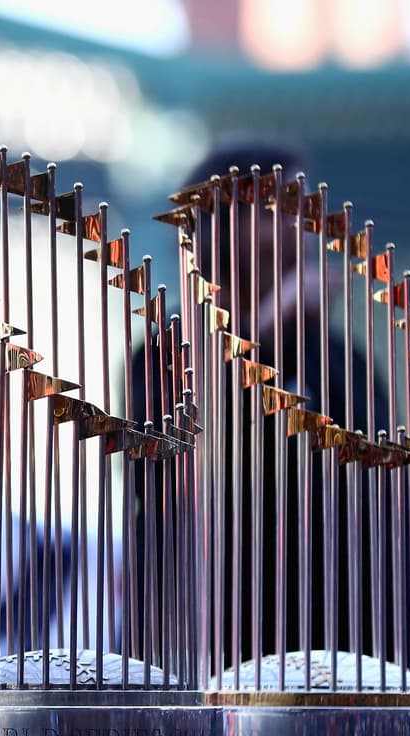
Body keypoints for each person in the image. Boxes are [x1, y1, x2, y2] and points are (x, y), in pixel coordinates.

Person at [129, 138, 387, 671]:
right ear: (216, 229)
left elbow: (381, 503)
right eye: (278, 207)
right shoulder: (162, 352)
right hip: (209, 641)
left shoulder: (341, 357)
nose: (303, 223)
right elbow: (175, 481)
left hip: (333, 640)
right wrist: (266, 332)